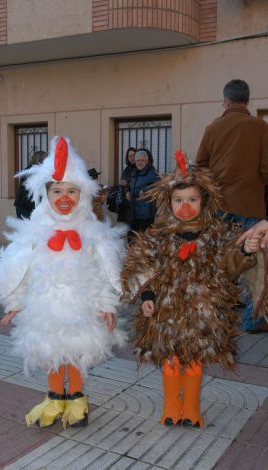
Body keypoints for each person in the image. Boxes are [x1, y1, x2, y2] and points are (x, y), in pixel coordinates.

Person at [0, 137, 125, 429]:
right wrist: (15, 300)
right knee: (50, 351)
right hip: (44, 305)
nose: (64, 197)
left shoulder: (91, 230)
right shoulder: (36, 228)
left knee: (78, 351)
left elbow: (108, 267)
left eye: (71, 190)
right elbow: (18, 265)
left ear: (82, 194)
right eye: (58, 190)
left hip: (83, 304)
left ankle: (77, 399)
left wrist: (108, 304)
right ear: (47, 193)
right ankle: (55, 397)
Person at [122, 151, 262, 429]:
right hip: (168, 312)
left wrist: (245, 250)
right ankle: (172, 406)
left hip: (203, 312)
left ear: (204, 202)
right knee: (172, 359)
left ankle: (191, 407)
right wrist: (148, 297)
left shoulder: (216, 235)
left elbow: (229, 265)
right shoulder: (159, 236)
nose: (185, 206)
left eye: (192, 200)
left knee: (195, 360)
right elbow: (147, 270)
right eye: (179, 200)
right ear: (168, 202)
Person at [196, 79, 268, 332]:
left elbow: (200, 169)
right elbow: (265, 168)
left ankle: (211, 315)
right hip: (251, 207)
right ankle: (254, 318)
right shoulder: (260, 127)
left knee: (218, 262)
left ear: (225, 101)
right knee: (255, 266)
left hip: (218, 209)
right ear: (247, 101)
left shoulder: (212, 128)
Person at [126, 148, 159, 235]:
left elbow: (159, 185)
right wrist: (127, 191)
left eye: (142, 160)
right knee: (132, 239)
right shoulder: (134, 173)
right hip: (133, 212)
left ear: (147, 161)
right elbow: (129, 185)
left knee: (144, 240)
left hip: (146, 213)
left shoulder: (152, 173)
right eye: (137, 160)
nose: (140, 162)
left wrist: (145, 190)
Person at [14, 150, 48, 219]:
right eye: (46, 159)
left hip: (25, 205)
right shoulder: (33, 171)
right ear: (40, 159)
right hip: (26, 206)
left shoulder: (33, 170)